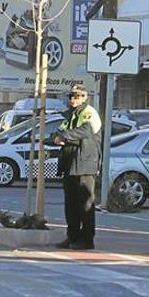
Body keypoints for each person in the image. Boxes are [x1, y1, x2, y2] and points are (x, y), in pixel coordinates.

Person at [52, 84, 102, 250]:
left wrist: (64, 137)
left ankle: (87, 240)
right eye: (71, 96)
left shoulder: (89, 112)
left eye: (78, 96)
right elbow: (57, 132)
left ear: (85, 97)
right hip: (70, 162)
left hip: (85, 163)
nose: (74, 99)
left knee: (85, 204)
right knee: (70, 204)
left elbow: (85, 131)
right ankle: (72, 236)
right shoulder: (70, 115)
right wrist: (57, 137)